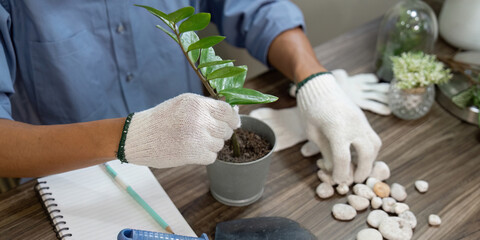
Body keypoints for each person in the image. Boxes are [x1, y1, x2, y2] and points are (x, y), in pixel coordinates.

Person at [0, 0, 380, 185]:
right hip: (71, 181)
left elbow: (255, 7)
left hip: (194, 165)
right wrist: (131, 137)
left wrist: (315, 81)